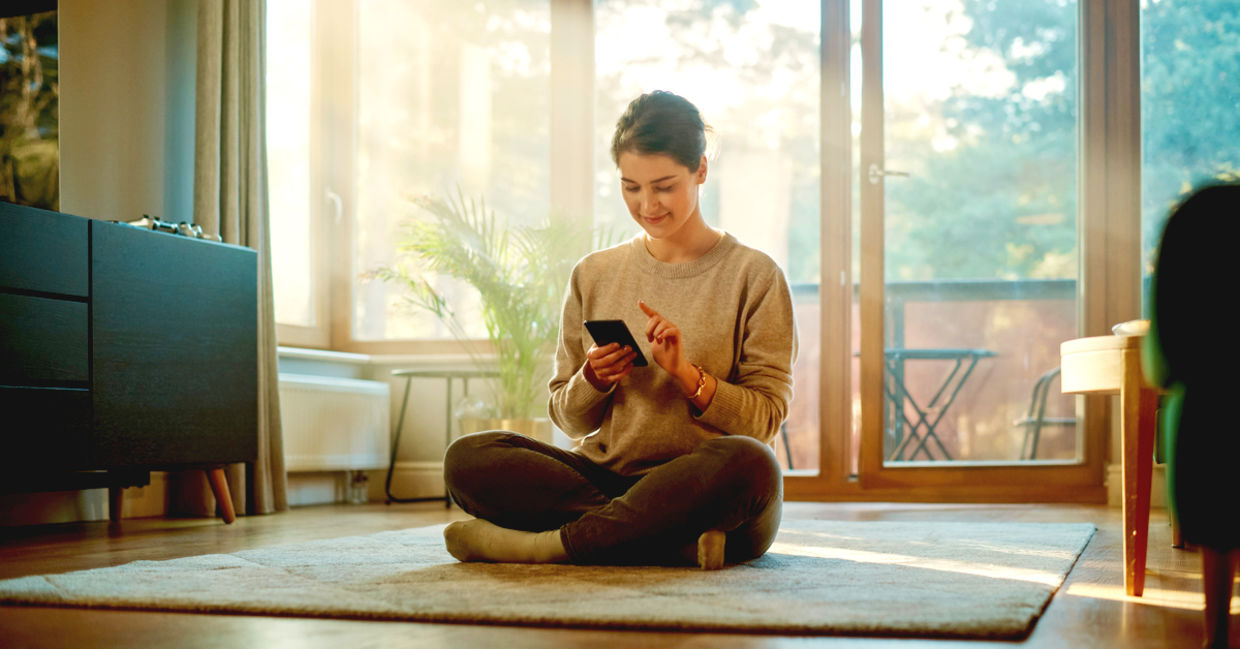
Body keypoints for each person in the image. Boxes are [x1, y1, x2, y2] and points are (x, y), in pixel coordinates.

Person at [442, 90, 798, 569]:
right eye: (631, 187)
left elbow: (766, 420)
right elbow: (569, 421)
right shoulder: (594, 274)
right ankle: (665, 540)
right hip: (604, 478)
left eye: (664, 186)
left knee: (752, 466)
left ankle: (549, 546)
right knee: (469, 457)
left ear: (701, 171)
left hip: (704, 483)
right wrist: (592, 380)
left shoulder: (756, 276)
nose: (647, 204)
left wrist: (687, 377)